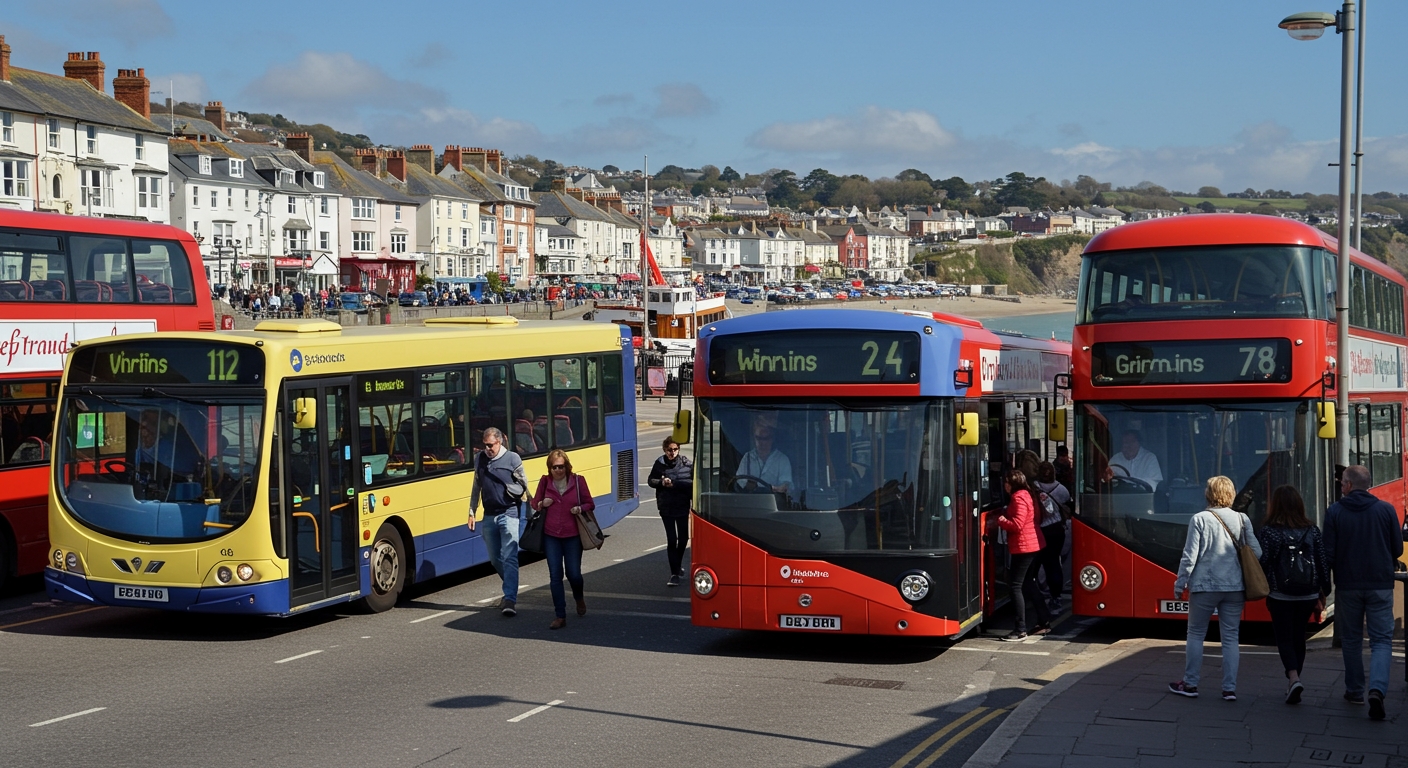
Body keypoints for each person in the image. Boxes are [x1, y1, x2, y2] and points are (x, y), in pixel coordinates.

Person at [1169, 475, 1260, 701]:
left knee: (1196, 634)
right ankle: (1229, 689)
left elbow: (1189, 557)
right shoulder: (1242, 519)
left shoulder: (1199, 519)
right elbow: (1257, 552)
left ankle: (1190, 684)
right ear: (1231, 494)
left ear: (1208, 494)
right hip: (1235, 586)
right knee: (1230, 637)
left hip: (1205, 586)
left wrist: (1180, 584)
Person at [1323, 464, 1403, 720]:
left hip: (1348, 585)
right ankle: (1377, 690)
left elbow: (1329, 553)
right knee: (1381, 640)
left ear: (1347, 485)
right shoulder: (1386, 510)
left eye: (1342, 483)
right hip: (1380, 584)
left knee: (1352, 640)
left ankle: (1355, 691)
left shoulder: (1334, 512)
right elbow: (1398, 549)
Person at [1256, 485, 1330, 705]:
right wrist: (1323, 591)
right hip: (1307, 594)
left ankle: (1293, 677)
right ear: (1299, 505)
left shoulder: (1269, 531)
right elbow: (1322, 563)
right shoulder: (1312, 530)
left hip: (1280, 594)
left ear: (1275, 505)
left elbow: (1264, 561)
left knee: (1284, 637)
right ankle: (1294, 680)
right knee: (1299, 637)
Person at [467, 427, 528, 617]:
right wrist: (471, 511)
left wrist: (512, 490)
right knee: (495, 559)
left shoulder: (512, 459)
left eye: (490, 445)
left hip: (509, 513)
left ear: (499, 442)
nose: (487, 449)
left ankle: (510, 598)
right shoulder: (480, 459)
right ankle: (510, 584)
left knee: (510, 556)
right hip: (489, 515)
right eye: (485, 445)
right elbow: (476, 485)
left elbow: (524, 485)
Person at [530, 449, 593, 629]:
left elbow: (590, 503)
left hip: (573, 535)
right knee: (555, 576)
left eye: (561, 466)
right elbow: (535, 504)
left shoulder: (578, 481)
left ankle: (579, 598)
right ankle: (560, 615)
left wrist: (580, 509)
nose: (558, 470)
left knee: (573, 574)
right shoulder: (545, 482)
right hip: (552, 536)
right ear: (549, 468)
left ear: (567, 466)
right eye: (555, 467)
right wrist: (543, 504)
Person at [993, 469, 1050, 641]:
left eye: (1006, 482)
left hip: (1025, 547)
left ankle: (1020, 629)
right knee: (1028, 584)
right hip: (1033, 544)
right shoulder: (1027, 494)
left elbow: (1017, 525)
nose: (1004, 486)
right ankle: (1044, 621)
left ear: (1012, 483)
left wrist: (1002, 520)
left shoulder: (1018, 498)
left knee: (1015, 585)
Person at [648, 437, 694, 586]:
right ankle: (674, 573)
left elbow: (692, 482)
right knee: (672, 540)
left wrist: (675, 484)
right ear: (664, 450)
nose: (672, 453)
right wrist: (662, 482)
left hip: (681, 505)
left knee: (683, 539)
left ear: (678, 449)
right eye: (669, 450)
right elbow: (651, 481)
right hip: (666, 506)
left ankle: (677, 565)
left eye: (675, 449)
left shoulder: (687, 464)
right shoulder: (659, 464)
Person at [1034, 461, 1072, 613]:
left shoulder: (1034, 487)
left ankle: (1037, 592)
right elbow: (1068, 508)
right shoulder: (1062, 490)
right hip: (1056, 530)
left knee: (1036, 563)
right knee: (1054, 564)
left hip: (1038, 529)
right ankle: (1056, 597)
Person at [734, 425, 791, 494]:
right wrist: (747, 485)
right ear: (754, 438)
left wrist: (777, 488)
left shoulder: (782, 460)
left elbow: (785, 485)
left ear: (772, 439)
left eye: (766, 438)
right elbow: (739, 480)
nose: (762, 442)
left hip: (773, 502)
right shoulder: (747, 457)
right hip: (750, 501)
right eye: (758, 438)